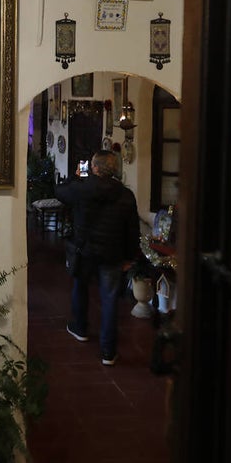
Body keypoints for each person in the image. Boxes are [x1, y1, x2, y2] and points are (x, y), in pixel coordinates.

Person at [54, 149, 143, 366]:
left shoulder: (83, 189)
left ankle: (80, 328)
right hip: (112, 253)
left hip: (85, 250)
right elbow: (133, 229)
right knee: (110, 298)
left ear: (94, 168)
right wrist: (130, 256)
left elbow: (59, 192)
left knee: (80, 287)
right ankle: (108, 351)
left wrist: (76, 177)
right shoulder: (125, 195)